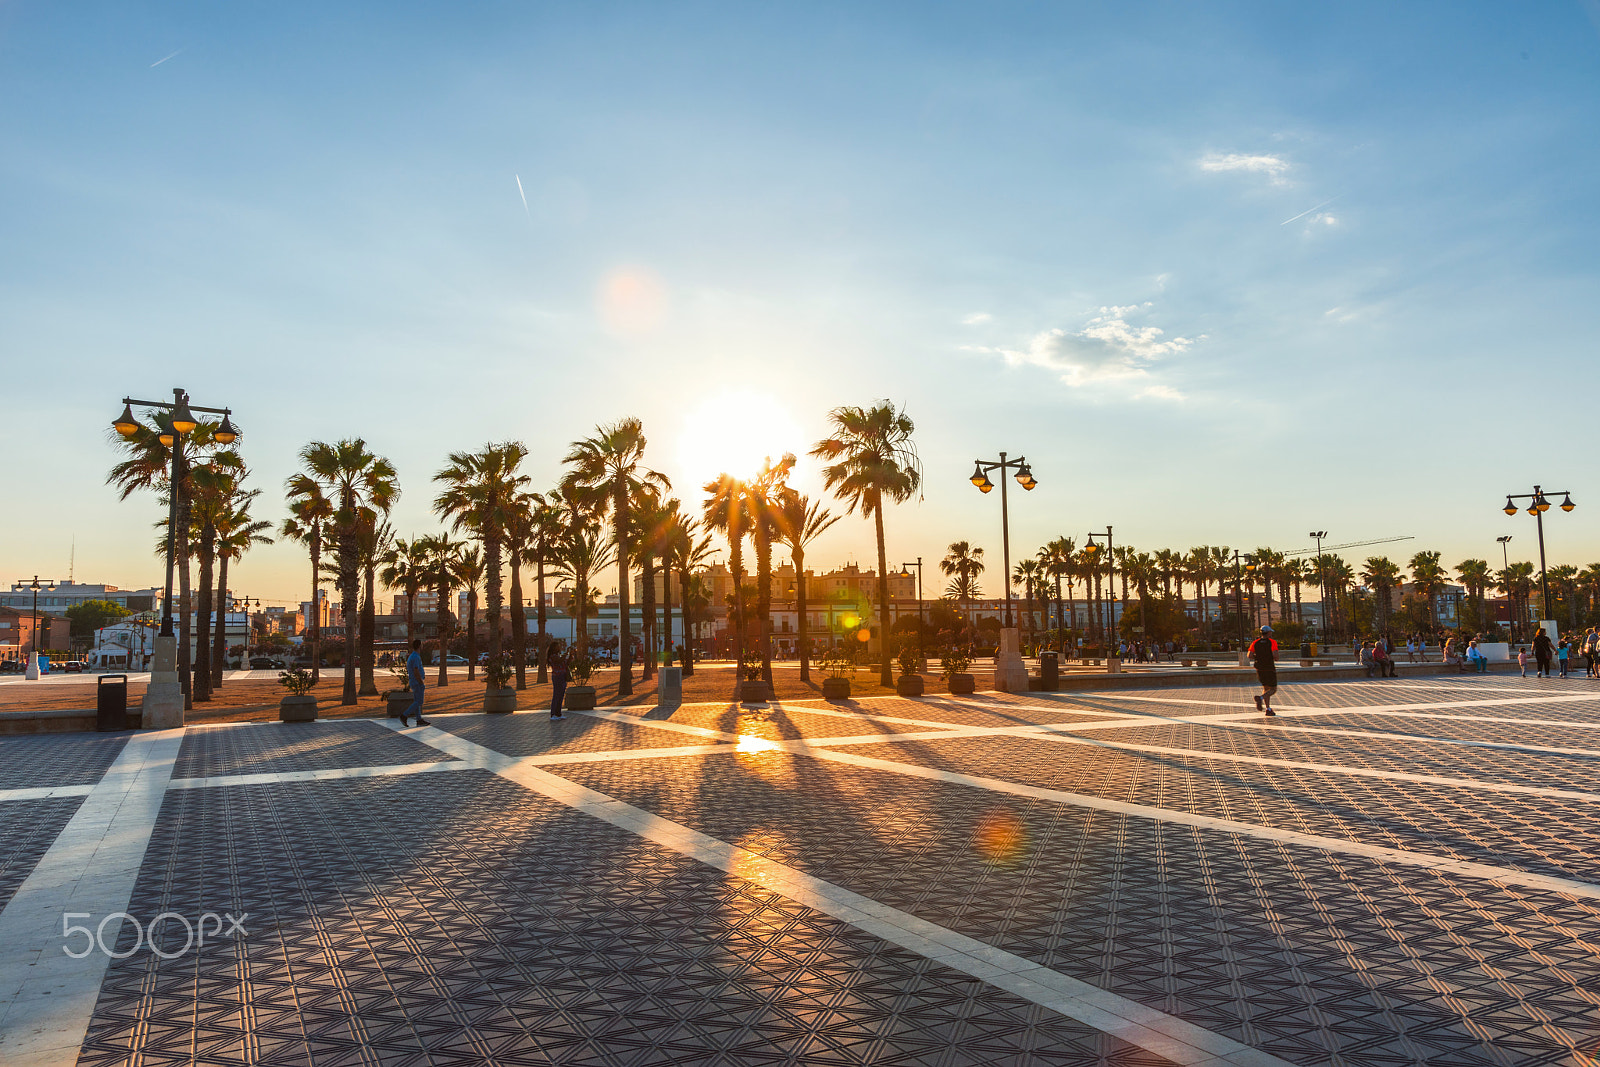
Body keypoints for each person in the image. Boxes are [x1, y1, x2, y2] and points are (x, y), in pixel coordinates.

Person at [1248, 625, 1279, 715]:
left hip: (1259, 668)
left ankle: (1268, 709)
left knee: (1266, 688)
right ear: (1268, 633)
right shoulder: (1272, 642)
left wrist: (1258, 657)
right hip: (1269, 668)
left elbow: (1249, 655)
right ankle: (1260, 698)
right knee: (1273, 689)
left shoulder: (1255, 642)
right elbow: (1275, 656)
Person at [399, 638, 429, 727]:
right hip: (417, 682)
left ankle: (419, 719)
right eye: (422, 645)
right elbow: (416, 671)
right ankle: (404, 715)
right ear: (419, 646)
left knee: (417, 701)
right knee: (419, 702)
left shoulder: (412, 656)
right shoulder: (416, 657)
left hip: (413, 681)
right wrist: (421, 682)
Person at [548, 642, 569, 720]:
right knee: (556, 695)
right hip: (557, 677)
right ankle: (553, 714)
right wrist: (566, 653)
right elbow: (559, 661)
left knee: (561, 695)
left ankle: (558, 713)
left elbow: (566, 663)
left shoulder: (558, 656)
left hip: (562, 676)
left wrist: (570, 656)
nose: (559, 648)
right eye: (557, 646)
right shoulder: (552, 656)